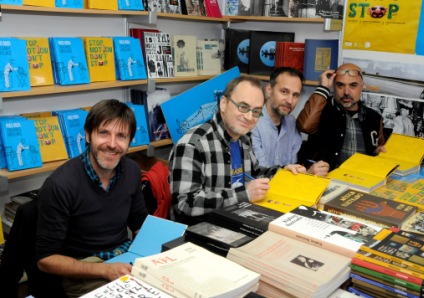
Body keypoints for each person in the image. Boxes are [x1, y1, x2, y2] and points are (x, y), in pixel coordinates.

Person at [36, 99, 148, 297]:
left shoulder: (132, 170)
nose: (112, 144)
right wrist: (105, 270)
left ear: (130, 141)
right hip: (83, 270)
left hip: (124, 260)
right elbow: (46, 259)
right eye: (103, 133)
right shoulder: (61, 184)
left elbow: (140, 226)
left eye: (121, 136)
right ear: (88, 135)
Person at [169, 75, 306, 225]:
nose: (249, 117)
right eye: (243, 107)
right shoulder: (192, 144)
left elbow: (255, 174)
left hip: (237, 221)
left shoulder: (243, 139)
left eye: (256, 111)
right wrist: (244, 194)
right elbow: (184, 205)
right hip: (201, 232)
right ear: (223, 104)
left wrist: (282, 172)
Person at [297, 63, 385, 170]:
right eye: (340, 85)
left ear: (362, 87)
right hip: (327, 180)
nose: (346, 92)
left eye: (353, 85)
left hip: (362, 182)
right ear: (334, 86)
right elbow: (305, 126)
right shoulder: (321, 108)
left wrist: (377, 152)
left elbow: (379, 147)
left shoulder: (374, 117)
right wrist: (323, 87)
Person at [251, 67, 329, 176]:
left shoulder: (291, 122)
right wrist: (305, 173)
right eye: (284, 92)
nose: (289, 101)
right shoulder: (252, 121)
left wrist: (307, 172)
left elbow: (294, 167)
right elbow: (260, 172)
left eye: (295, 95)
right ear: (269, 90)